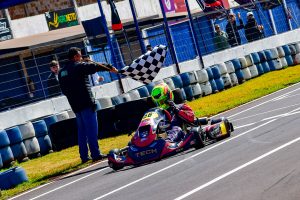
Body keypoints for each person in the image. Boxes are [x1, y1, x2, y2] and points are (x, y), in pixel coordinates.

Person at [58, 47, 118, 163]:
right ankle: (95, 154)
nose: (81, 58)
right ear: (75, 57)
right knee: (91, 129)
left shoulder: (61, 72)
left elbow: (64, 91)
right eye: (79, 56)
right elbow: (94, 67)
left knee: (82, 131)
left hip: (75, 105)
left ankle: (84, 156)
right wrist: (109, 67)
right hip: (86, 103)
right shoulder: (78, 66)